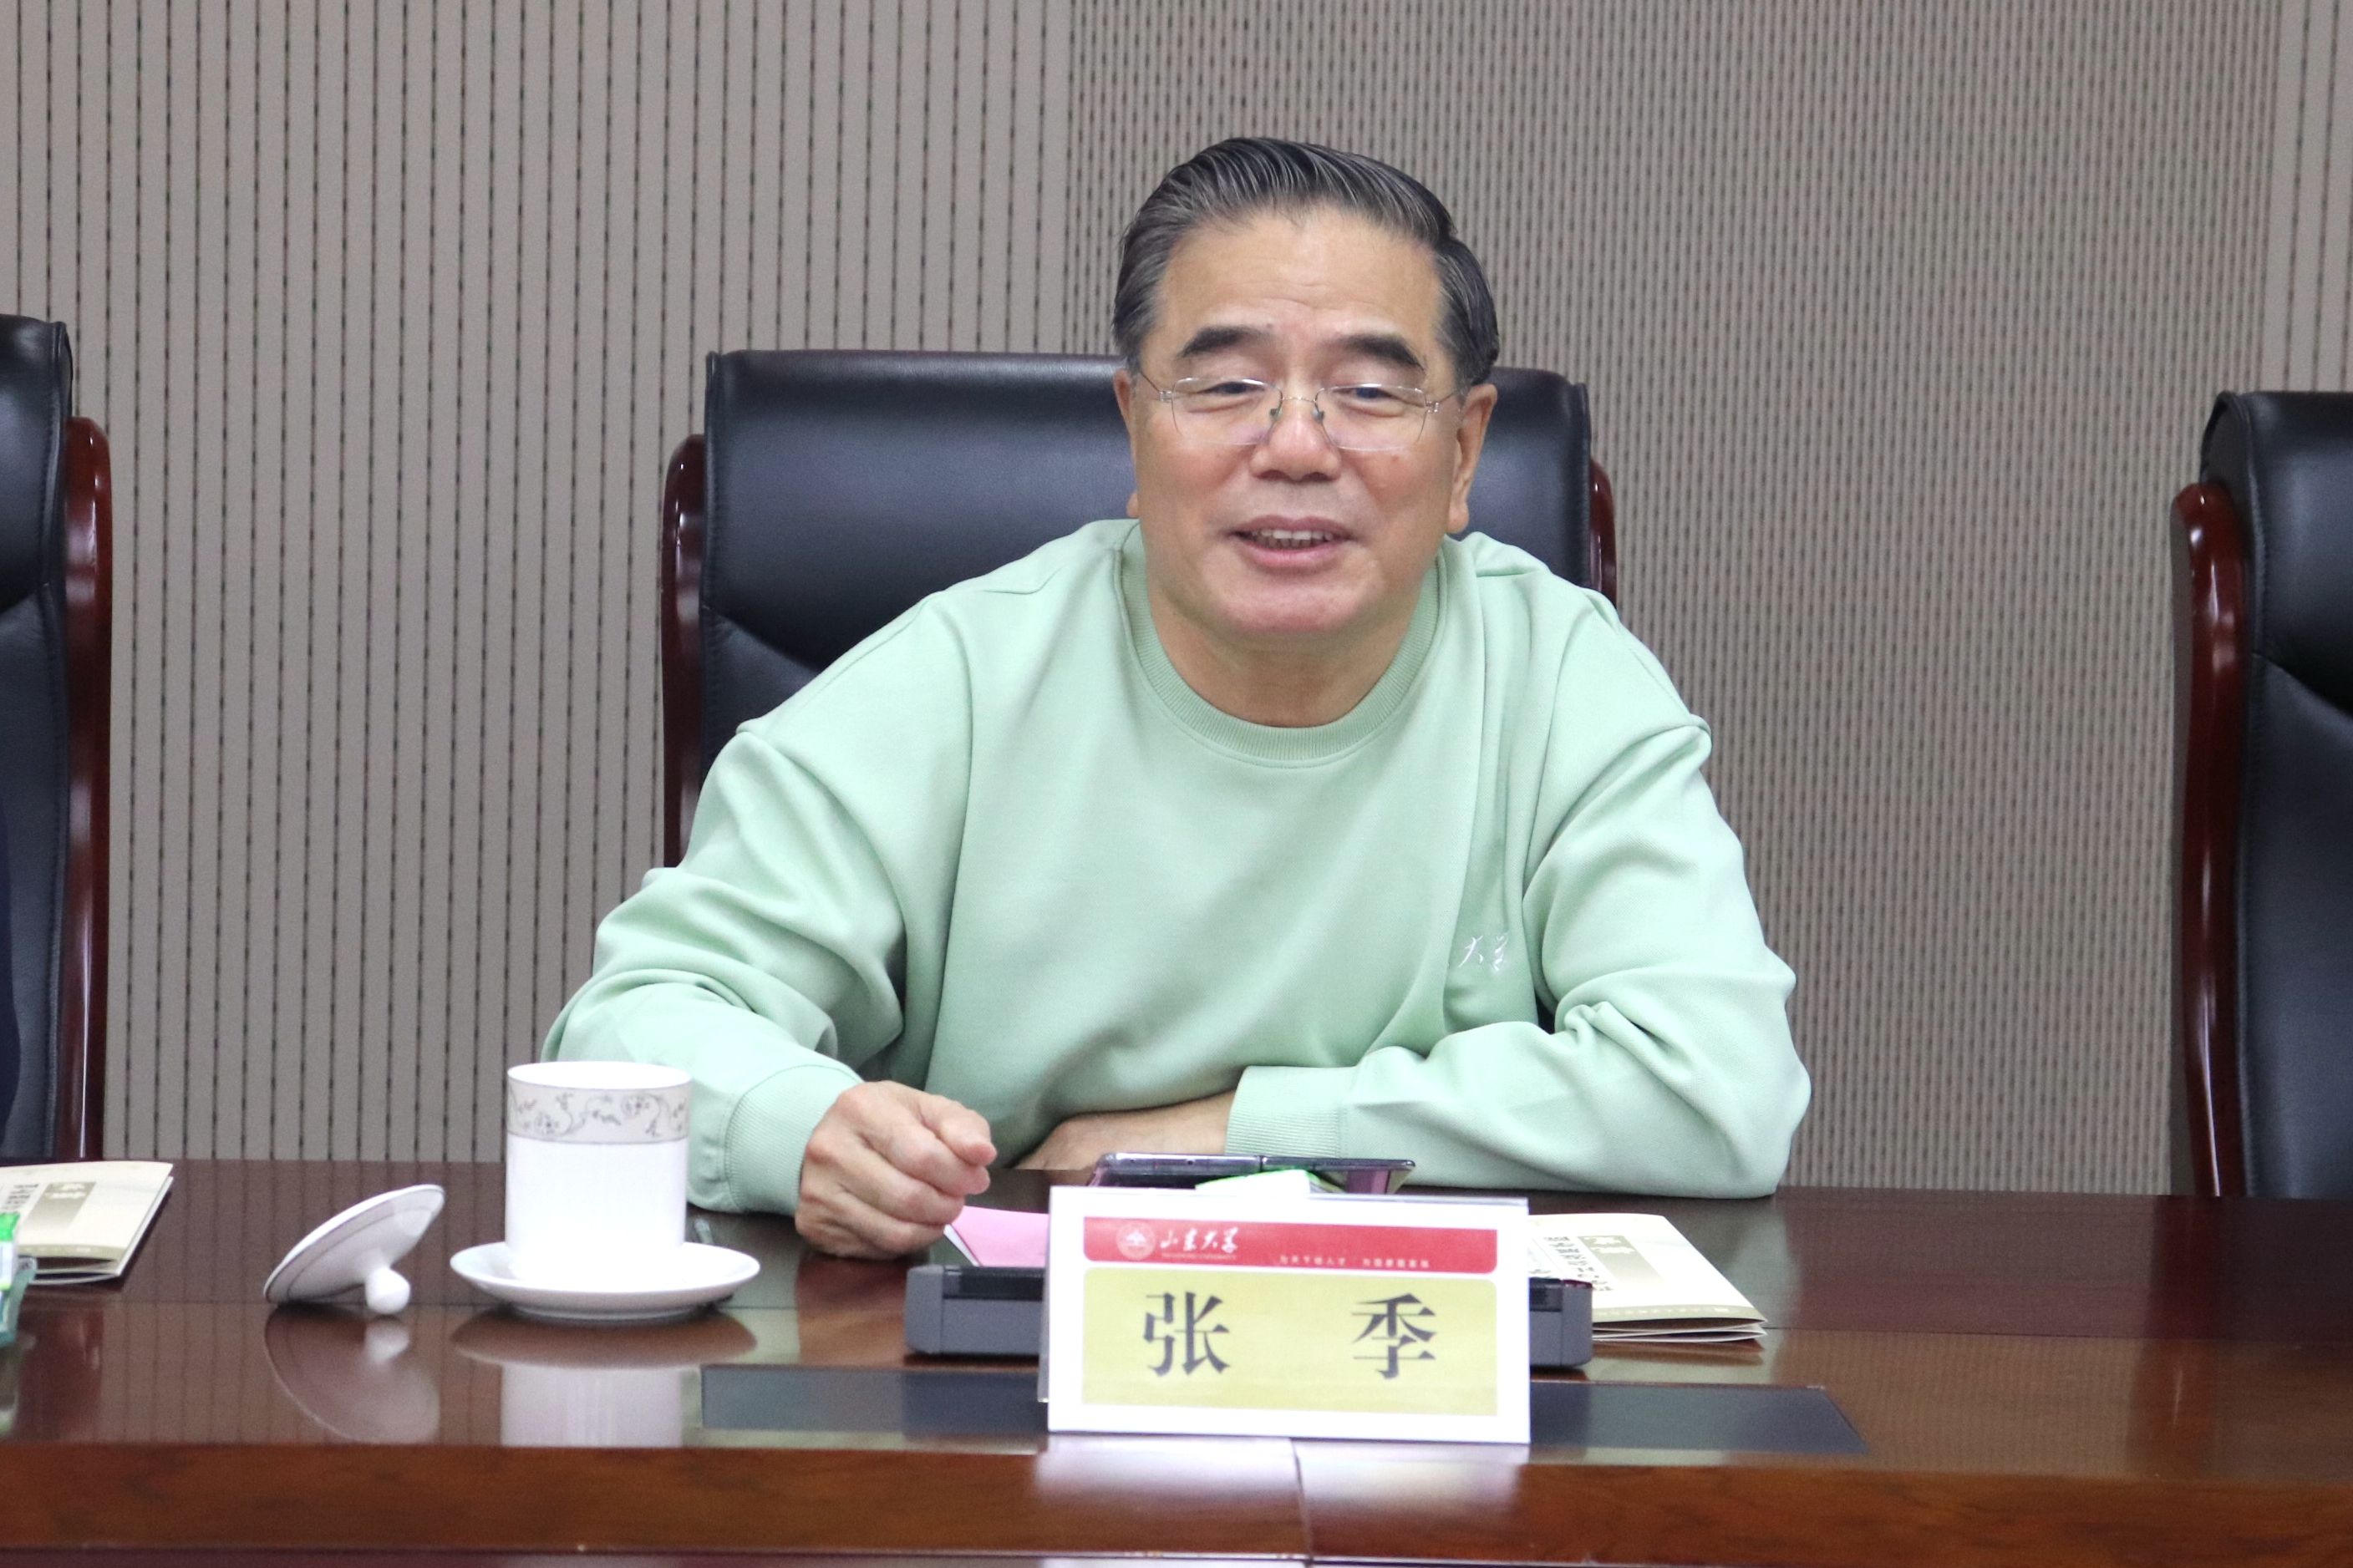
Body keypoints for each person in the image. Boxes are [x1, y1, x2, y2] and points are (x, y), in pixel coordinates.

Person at [545, 137, 1810, 1259]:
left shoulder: (1558, 675)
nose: (1298, 445)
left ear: (1466, 448)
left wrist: (1242, 1130)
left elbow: (1718, 1089)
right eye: (1226, 384)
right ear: (1135, 429)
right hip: (1000, 1368)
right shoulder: (961, 678)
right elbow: (627, 1030)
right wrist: (800, 1125)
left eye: (1370, 391)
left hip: (1421, 1369)